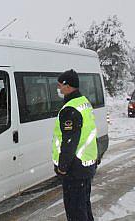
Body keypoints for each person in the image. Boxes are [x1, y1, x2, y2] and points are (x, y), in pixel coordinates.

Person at [51, 69, 98, 221]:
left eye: (60, 85)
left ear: (67, 85)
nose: (58, 89)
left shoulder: (70, 109)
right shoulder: (84, 102)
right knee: (83, 206)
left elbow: (69, 142)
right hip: (86, 164)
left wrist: (62, 167)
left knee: (75, 211)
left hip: (74, 168)